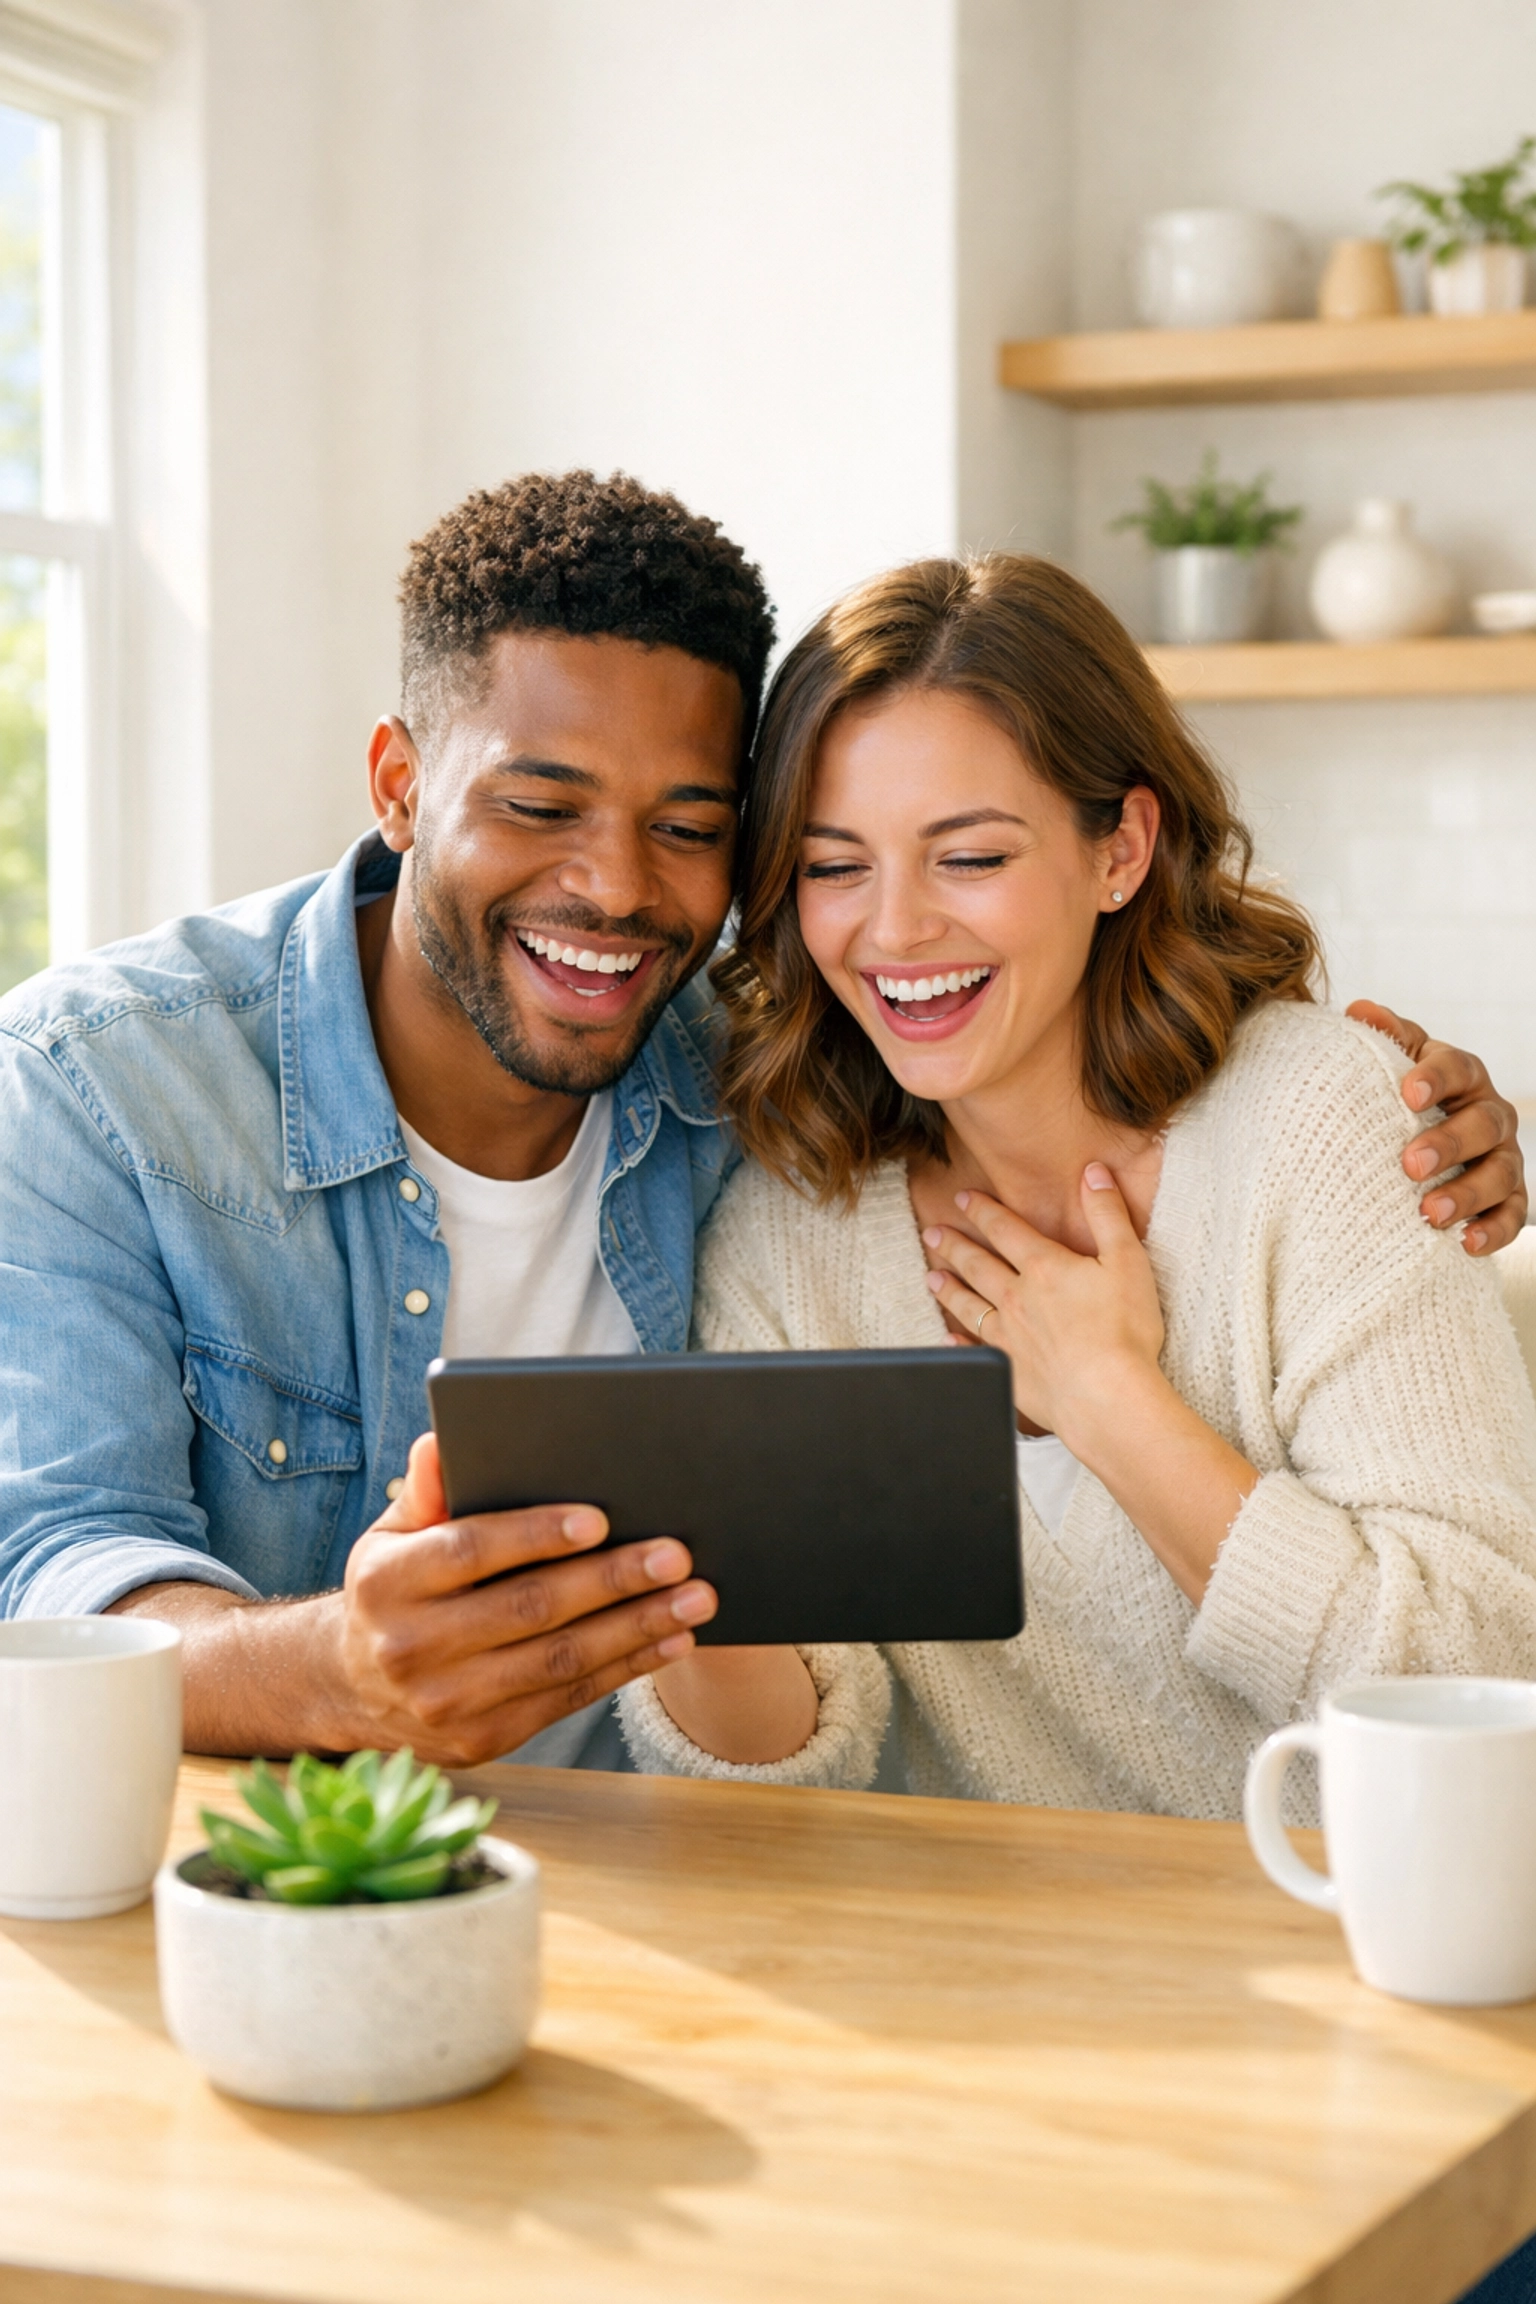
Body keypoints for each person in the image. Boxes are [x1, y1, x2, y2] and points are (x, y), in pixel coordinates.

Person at [0, 481, 1523, 1768]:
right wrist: (344, 1669)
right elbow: (48, 1579)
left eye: (689, 829)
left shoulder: (764, 1087)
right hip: (313, 1881)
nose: (614, 888)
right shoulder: (105, 1087)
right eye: (539, 806)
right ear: (400, 784)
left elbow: (1480, 1671)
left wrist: (1366, 1135)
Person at [619, 552, 1536, 1816]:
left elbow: (1481, 1671)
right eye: (834, 867)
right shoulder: (794, 1225)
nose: (894, 929)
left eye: (969, 857)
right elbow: (793, 1768)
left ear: (1122, 849)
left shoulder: (1319, 1124)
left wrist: (1109, 1399)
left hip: (1358, 1918)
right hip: (1008, 1931)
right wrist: (678, 1587)